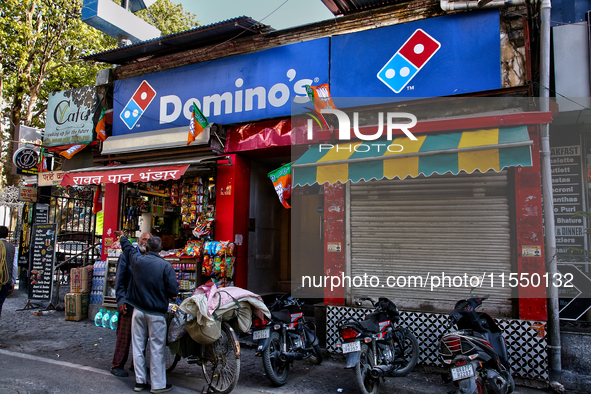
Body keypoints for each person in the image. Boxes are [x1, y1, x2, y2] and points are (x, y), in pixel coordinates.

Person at [115, 231, 178, 394]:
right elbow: (173, 291)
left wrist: (122, 237)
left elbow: (127, 248)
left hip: (138, 310)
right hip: (156, 313)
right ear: (161, 249)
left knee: (138, 346)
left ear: (146, 247)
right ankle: (158, 385)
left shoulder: (137, 260)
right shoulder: (166, 266)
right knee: (156, 348)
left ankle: (140, 382)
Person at [110, 233, 152, 378]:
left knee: (141, 336)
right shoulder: (126, 256)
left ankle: (137, 364)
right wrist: (120, 300)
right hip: (128, 302)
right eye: (144, 240)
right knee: (124, 335)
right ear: (139, 241)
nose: (145, 243)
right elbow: (119, 280)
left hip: (142, 304)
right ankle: (117, 365)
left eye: (148, 240)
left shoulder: (149, 258)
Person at [0, 226, 17, 318]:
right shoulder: (12, 248)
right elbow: (14, 266)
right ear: (7, 235)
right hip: (5, 279)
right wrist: (13, 280)